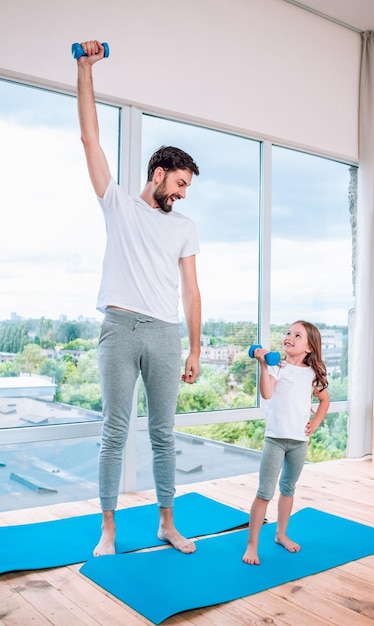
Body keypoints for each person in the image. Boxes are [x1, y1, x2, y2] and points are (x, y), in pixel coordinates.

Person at [76, 40, 201, 557]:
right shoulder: (119, 205)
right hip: (119, 328)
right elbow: (90, 139)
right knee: (114, 431)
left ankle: (166, 524)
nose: (181, 193)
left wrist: (195, 347)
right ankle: (108, 529)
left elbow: (192, 290)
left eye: (187, 187)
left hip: (166, 335)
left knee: (165, 434)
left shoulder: (186, 227)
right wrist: (86, 71)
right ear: (157, 173)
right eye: (178, 183)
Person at [242, 320, 330, 565]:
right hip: (276, 440)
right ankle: (252, 544)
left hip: (299, 442)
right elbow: (267, 394)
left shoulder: (313, 374)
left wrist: (316, 423)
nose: (289, 337)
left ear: (310, 347)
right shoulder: (276, 366)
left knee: (288, 489)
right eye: (288, 333)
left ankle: (281, 534)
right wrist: (262, 365)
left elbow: (325, 400)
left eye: (297, 335)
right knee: (264, 492)